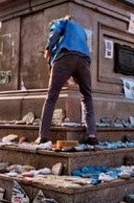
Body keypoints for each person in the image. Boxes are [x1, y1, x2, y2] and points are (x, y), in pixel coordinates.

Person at [36, 15, 97, 145]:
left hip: (64, 56)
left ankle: (43, 135)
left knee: (51, 96)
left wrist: (48, 49)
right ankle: (92, 135)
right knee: (87, 97)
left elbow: (56, 31)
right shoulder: (81, 30)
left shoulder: (61, 21)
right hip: (84, 61)